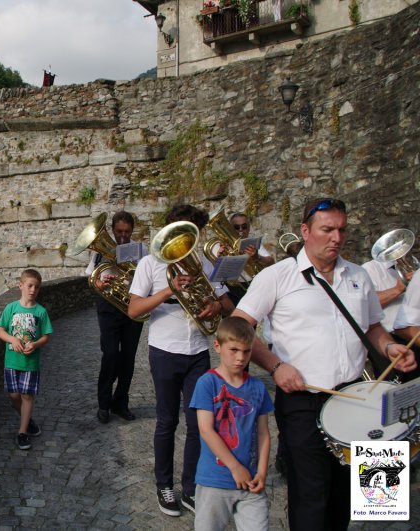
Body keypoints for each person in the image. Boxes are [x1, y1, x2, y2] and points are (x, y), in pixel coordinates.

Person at [231, 197, 416, 531]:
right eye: (327, 229)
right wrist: (275, 367)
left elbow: (373, 326)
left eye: (342, 230)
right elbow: (238, 325)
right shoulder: (278, 276)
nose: (337, 237)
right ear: (305, 231)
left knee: (363, 494)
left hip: (359, 396)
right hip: (303, 399)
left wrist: (389, 347)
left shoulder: (358, 275)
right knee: (311, 494)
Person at [128, 204, 233, 517]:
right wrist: (167, 291)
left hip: (198, 351)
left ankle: (190, 487)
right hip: (164, 350)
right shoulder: (149, 264)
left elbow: (227, 303)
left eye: (193, 232)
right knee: (166, 421)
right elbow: (134, 310)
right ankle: (164, 484)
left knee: (199, 423)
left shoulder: (204, 262)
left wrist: (215, 306)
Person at [190, 316, 273, 531]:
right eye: (234, 350)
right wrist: (235, 467)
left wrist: (262, 472)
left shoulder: (258, 387)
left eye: (246, 352)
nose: (240, 358)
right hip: (214, 481)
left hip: (251, 483)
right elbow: (206, 430)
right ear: (217, 346)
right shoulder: (207, 382)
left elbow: (264, 433)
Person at [84, 211, 144, 423]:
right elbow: (90, 275)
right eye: (119, 231)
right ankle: (103, 404)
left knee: (128, 358)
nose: (123, 236)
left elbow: (149, 276)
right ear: (112, 229)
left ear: (132, 230)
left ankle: (121, 403)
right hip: (109, 306)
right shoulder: (100, 251)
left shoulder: (141, 250)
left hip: (132, 306)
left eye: (127, 231)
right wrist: (98, 283)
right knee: (109, 354)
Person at [0, 268, 53, 451]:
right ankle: (27, 420)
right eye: (29, 286)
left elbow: (46, 336)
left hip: (30, 362)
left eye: (36, 287)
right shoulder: (11, 308)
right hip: (11, 361)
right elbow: (0, 330)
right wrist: (12, 338)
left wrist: (35, 345)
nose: (32, 290)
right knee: (14, 396)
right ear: (21, 286)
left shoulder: (40, 312)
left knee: (27, 395)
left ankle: (22, 432)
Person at [362, 246, 413, 377]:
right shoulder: (369, 269)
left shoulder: (412, 262)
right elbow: (365, 304)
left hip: (414, 334)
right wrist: (398, 289)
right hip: (390, 339)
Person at [220, 212, 275, 305]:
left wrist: (257, 257)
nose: (241, 230)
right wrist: (220, 260)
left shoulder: (253, 244)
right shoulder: (221, 246)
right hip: (232, 290)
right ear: (230, 229)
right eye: (236, 227)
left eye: (244, 226)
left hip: (254, 285)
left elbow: (271, 262)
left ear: (249, 228)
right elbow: (216, 276)